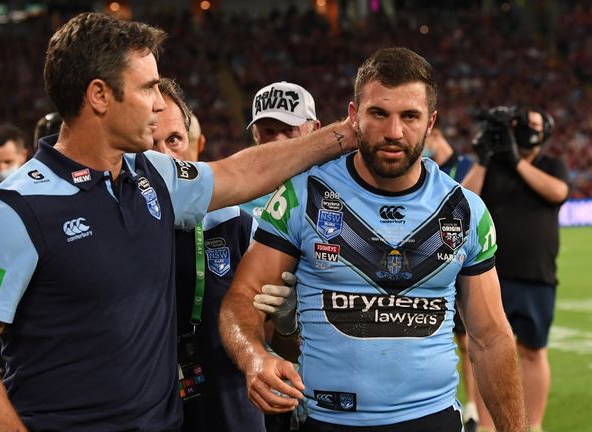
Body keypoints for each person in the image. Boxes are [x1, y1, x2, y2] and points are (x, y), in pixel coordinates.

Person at [0, 12, 357, 431]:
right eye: (148, 88)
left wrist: (347, 134)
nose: (160, 102)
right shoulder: (13, 208)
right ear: (100, 96)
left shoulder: (154, 175)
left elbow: (241, 173)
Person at [219, 47, 527, 431]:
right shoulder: (303, 197)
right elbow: (241, 300)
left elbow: (491, 336)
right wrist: (254, 358)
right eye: (379, 113)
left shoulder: (465, 211)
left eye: (409, 116)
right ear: (353, 116)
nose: (394, 132)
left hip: (432, 420)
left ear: (431, 122)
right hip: (327, 421)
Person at [154, 77, 265, 432]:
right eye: (150, 143)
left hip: (230, 409)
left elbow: (275, 332)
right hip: (149, 409)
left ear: (192, 143)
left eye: (174, 140)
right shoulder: (113, 229)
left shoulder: (234, 223)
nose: (165, 157)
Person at [462, 107, 568, 432]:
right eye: (524, 125)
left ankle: (533, 426)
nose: (529, 131)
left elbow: (558, 192)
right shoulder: (492, 165)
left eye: (536, 125)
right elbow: (462, 202)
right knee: (483, 349)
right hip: (490, 275)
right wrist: (483, 159)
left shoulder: (552, 165)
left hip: (537, 275)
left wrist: (516, 160)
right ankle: (485, 425)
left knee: (534, 351)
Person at [425, 126, 480, 431]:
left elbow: (470, 206)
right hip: (433, 262)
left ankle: (472, 406)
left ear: (435, 135)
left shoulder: (464, 166)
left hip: (459, 260)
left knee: (468, 339)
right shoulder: (424, 168)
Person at [240, 81, 321, 219]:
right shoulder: (236, 193)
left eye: (289, 130)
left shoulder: (334, 187)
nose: (278, 141)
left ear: (315, 130)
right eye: (268, 131)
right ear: (255, 133)